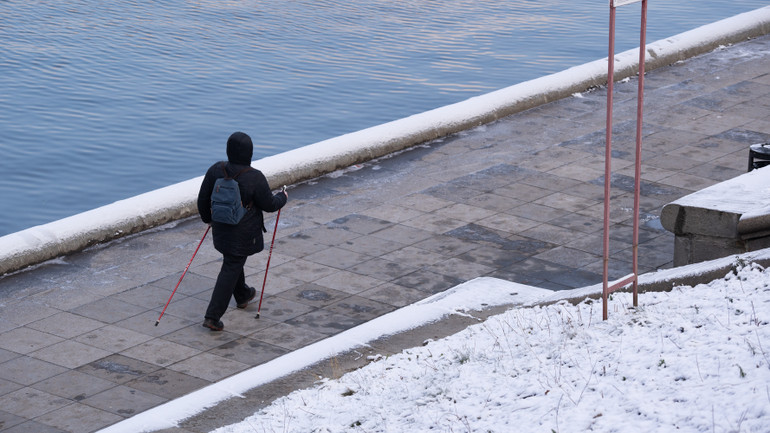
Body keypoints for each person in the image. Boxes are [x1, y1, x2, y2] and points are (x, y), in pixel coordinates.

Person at [196, 131, 287, 331]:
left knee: (233, 260)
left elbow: (202, 200)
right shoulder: (254, 177)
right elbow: (270, 204)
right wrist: (283, 196)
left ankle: (243, 295)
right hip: (244, 233)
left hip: (220, 229)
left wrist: (208, 220)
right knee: (231, 265)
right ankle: (212, 316)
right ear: (249, 153)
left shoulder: (215, 170)